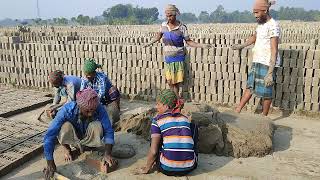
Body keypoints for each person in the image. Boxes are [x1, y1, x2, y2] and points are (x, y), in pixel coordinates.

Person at [43, 88, 117, 179]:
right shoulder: (66, 111)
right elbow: (49, 136)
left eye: (92, 111)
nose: (90, 114)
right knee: (64, 127)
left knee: (97, 125)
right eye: (87, 111)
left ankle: (89, 147)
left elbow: (108, 130)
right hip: (74, 138)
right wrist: (50, 162)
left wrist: (107, 153)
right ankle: (68, 149)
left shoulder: (99, 108)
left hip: (87, 137)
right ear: (79, 106)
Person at [144, 4, 211, 97]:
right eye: (167, 16)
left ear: (175, 15)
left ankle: (176, 100)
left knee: (175, 82)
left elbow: (188, 41)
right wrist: (149, 43)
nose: (168, 18)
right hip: (168, 58)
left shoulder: (182, 27)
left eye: (170, 15)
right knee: (169, 81)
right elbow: (158, 36)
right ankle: (175, 99)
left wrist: (202, 45)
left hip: (178, 58)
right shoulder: (163, 25)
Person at [232, 0, 280, 116]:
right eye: (254, 13)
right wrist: (241, 46)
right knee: (250, 86)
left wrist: (270, 72)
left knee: (266, 91)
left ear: (265, 10)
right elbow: (255, 37)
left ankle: (264, 118)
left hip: (268, 63)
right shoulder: (261, 24)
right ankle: (237, 110)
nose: (255, 15)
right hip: (257, 60)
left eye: (257, 12)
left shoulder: (273, 25)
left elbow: (274, 49)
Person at [134, 89, 198, 176]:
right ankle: (186, 156)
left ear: (166, 106)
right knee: (193, 127)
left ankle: (166, 160)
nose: (156, 107)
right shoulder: (185, 118)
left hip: (167, 168)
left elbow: (153, 152)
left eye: (158, 104)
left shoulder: (157, 120)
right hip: (190, 167)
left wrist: (146, 168)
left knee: (155, 138)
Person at [80, 58, 120, 123]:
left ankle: (117, 109)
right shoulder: (85, 79)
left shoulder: (101, 78)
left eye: (89, 74)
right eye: (86, 74)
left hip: (106, 95)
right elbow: (81, 92)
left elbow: (102, 93)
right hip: (94, 96)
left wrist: (94, 104)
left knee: (114, 91)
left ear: (94, 73)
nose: (87, 76)